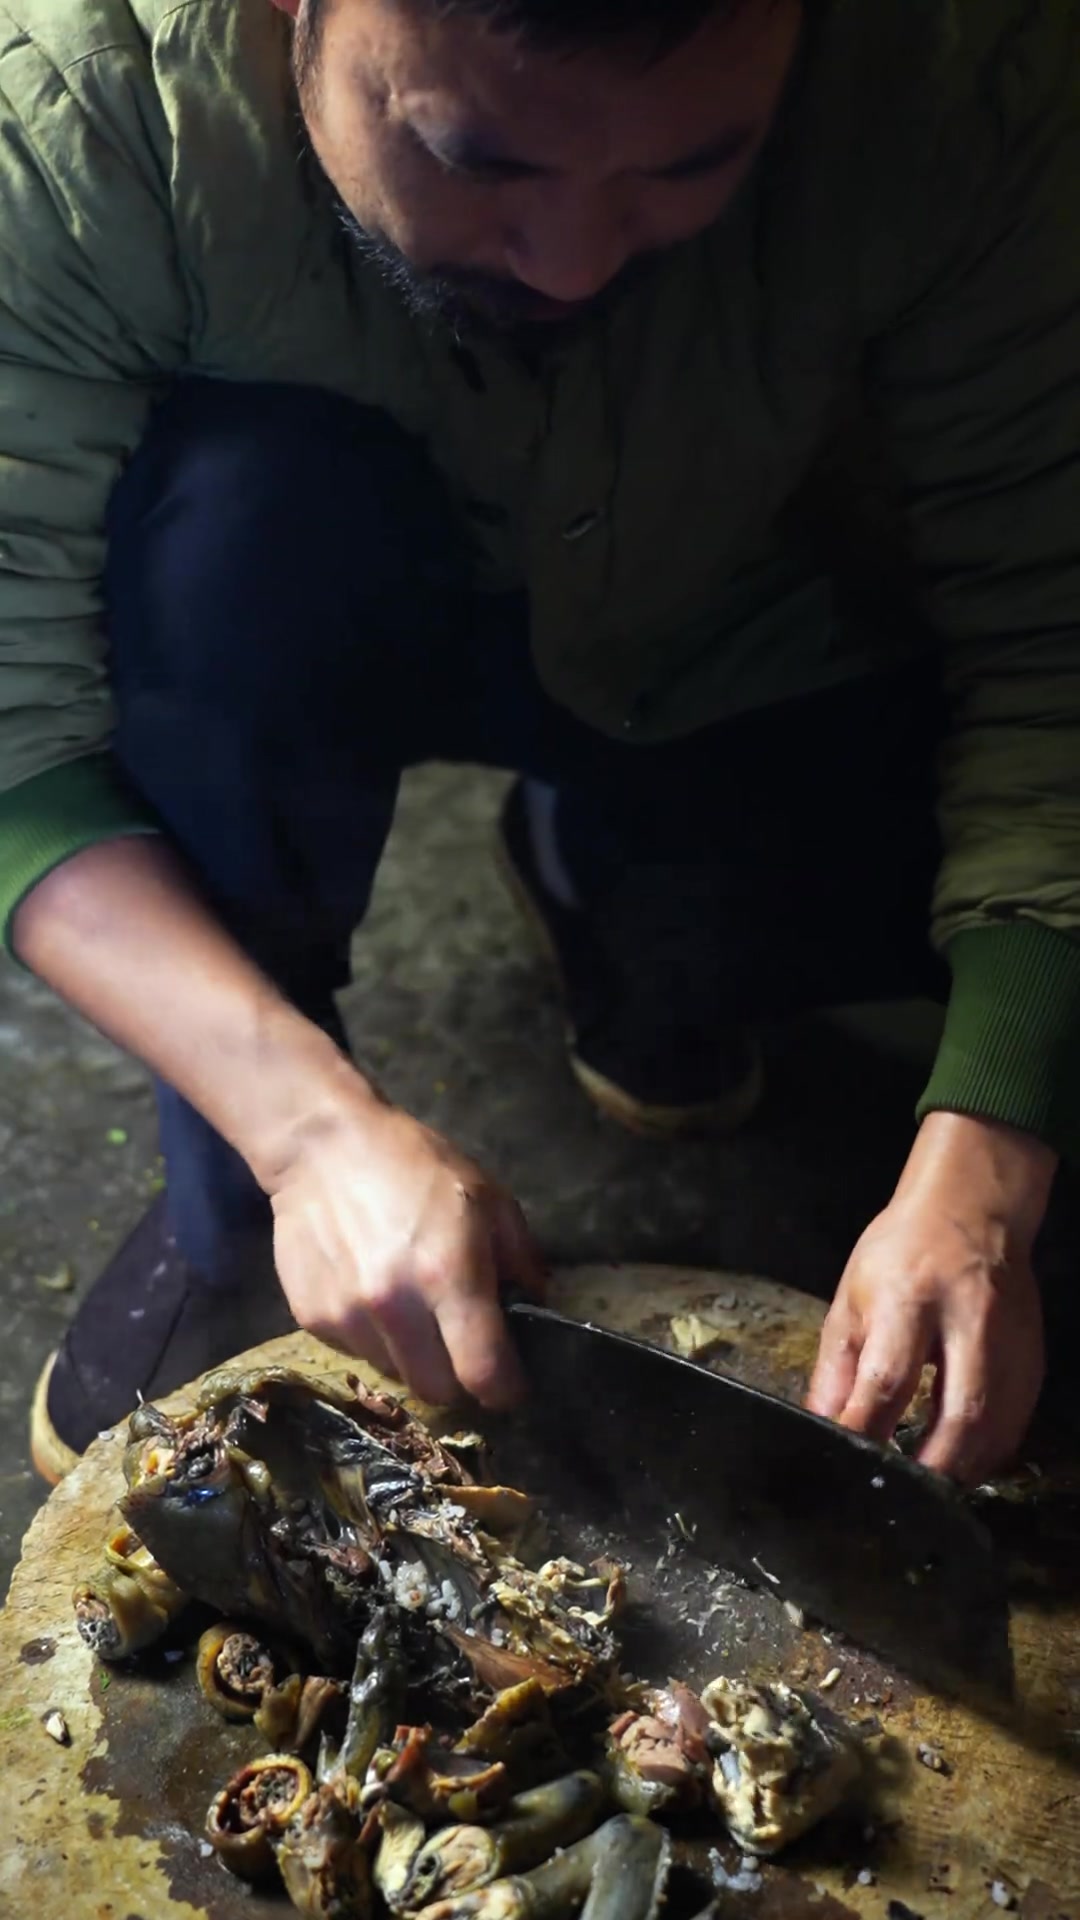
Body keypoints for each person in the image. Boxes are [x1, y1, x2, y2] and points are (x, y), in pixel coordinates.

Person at [3, 0, 1076, 1490]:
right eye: (474, 155)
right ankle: (231, 1194)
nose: (573, 261)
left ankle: (615, 882)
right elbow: (12, 720)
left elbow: (1052, 626)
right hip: (311, 608)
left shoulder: (969, 74)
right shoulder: (64, 108)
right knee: (233, 521)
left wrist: (991, 1171)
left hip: (726, 617)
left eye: (697, 164)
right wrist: (301, 1134)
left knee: (790, 923)